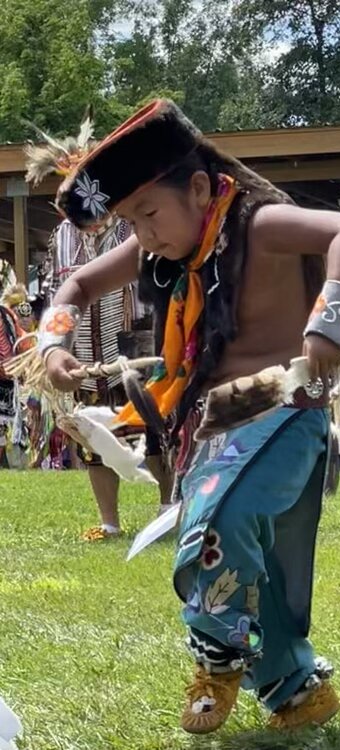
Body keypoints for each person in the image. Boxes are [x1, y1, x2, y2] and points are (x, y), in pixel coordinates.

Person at [40, 99, 340, 733]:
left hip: (284, 405)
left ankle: (217, 661)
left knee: (221, 526)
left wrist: (329, 320)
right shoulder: (168, 253)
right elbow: (75, 285)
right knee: (255, 561)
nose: (144, 235)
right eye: (130, 223)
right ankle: (297, 690)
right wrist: (54, 342)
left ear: (198, 188)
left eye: (148, 214)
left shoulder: (261, 225)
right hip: (213, 426)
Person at [25, 118, 174, 539]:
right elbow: (62, 291)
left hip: (139, 340)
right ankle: (110, 520)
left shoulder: (134, 226)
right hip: (83, 351)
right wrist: (52, 344)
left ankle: (167, 506)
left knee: (154, 424)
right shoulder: (61, 238)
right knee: (90, 431)